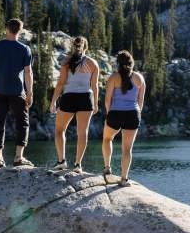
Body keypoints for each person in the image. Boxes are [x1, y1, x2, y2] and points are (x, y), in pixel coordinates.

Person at [0, 19, 34, 169]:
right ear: (20, 30)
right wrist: (30, 92)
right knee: (22, 123)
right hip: (18, 92)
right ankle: (18, 157)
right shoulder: (25, 49)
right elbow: (28, 72)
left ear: (6, 28)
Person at [49, 36, 99, 172]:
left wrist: (53, 101)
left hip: (69, 97)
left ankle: (61, 161)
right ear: (86, 47)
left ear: (73, 47)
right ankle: (78, 165)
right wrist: (95, 103)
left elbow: (60, 83)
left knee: (59, 130)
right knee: (83, 132)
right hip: (86, 98)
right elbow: (94, 86)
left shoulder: (66, 62)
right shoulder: (93, 63)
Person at [101, 50, 146, 186]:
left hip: (115, 113)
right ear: (131, 63)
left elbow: (107, 100)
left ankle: (107, 168)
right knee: (127, 149)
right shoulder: (139, 78)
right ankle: (124, 179)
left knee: (107, 138)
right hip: (133, 113)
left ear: (118, 64)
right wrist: (137, 114)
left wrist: (109, 114)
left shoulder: (113, 77)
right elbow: (140, 102)